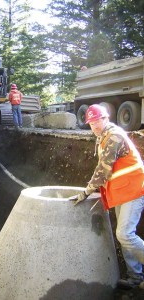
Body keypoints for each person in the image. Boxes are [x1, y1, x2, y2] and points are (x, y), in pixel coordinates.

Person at [70, 104, 144, 289]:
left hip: (134, 189)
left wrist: (86, 192)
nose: (94, 126)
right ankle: (136, 278)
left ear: (106, 118)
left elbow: (103, 169)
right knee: (124, 235)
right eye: (91, 123)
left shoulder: (114, 136)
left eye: (97, 121)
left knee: (125, 234)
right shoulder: (102, 137)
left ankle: (136, 275)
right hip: (122, 191)